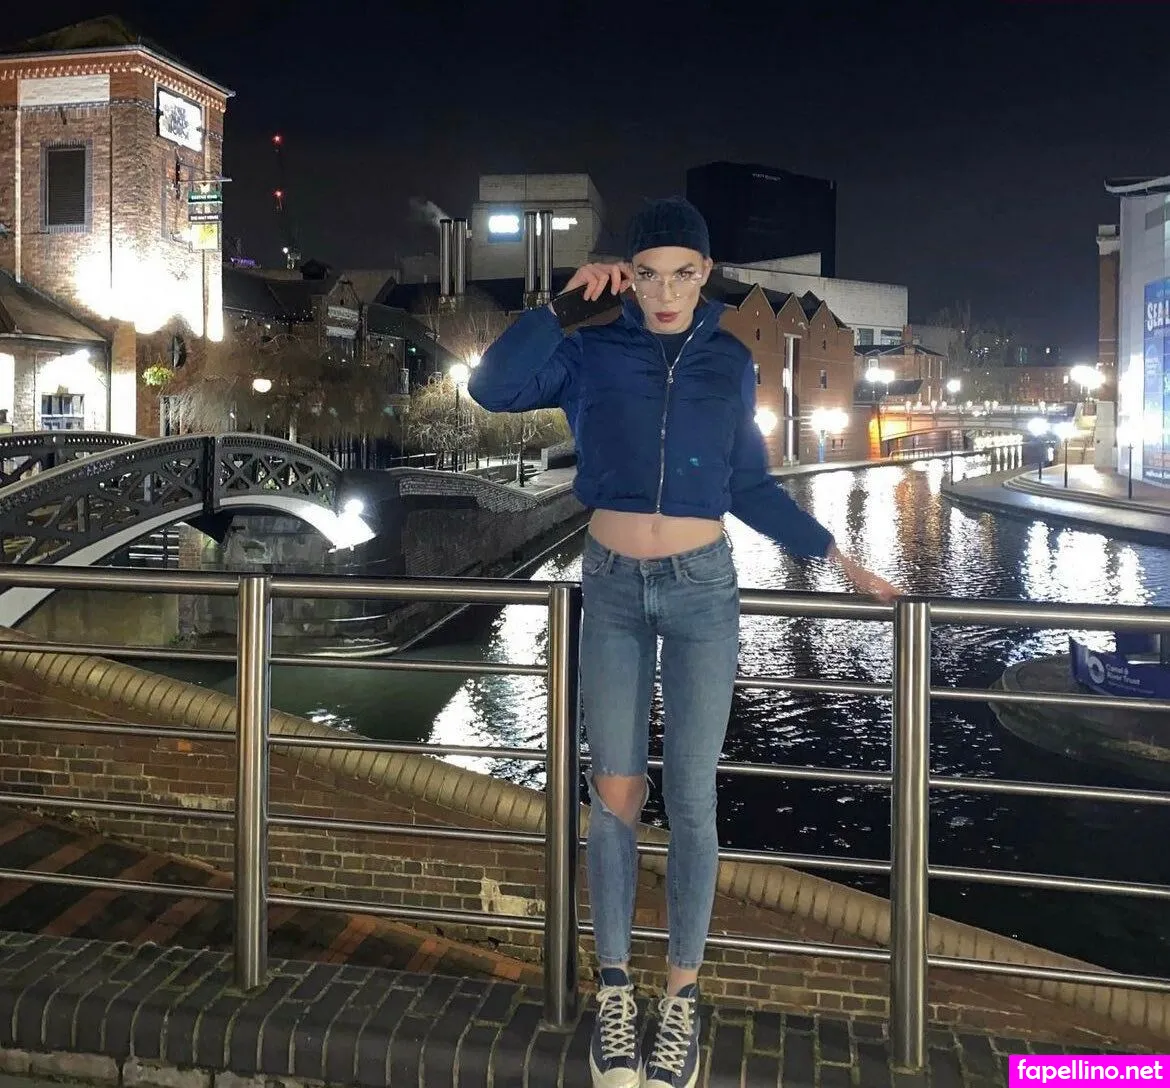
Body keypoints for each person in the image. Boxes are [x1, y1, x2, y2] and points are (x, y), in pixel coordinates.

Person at [469, 197, 898, 1088]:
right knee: (614, 795)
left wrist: (838, 557)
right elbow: (493, 388)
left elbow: (748, 484)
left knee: (693, 800)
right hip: (612, 587)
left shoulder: (729, 361)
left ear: (706, 277)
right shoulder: (590, 349)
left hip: (703, 589)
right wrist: (558, 310)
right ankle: (614, 989)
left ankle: (681, 998)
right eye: (650, 274)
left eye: (684, 274)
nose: (666, 292)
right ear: (628, 275)